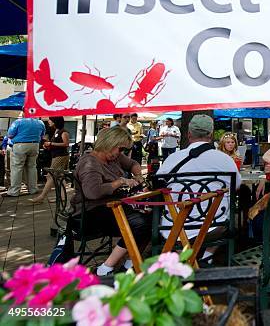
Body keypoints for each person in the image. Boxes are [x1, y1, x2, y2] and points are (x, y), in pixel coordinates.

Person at [71, 127, 148, 276]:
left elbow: (133, 164)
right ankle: (105, 269)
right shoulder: (90, 163)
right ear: (110, 144)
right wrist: (120, 182)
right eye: (120, 149)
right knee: (141, 223)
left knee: (151, 217)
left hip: (112, 206)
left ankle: (130, 264)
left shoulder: (114, 156)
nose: (121, 153)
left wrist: (138, 176)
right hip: (91, 212)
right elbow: (93, 192)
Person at [156, 115, 240, 251]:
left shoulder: (172, 159)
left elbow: (159, 186)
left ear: (189, 134)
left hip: (174, 226)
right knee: (224, 211)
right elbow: (235, 185)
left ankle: (183, 259)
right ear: (211, 134)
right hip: (214, 225)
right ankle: (206, 258)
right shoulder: (224, 159)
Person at [31, 117, 70, 204]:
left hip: (61, 156)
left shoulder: (63, 132)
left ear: (56, 121)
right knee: (60, 176)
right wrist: (48, 146)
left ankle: (42, 196)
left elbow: (66, 144)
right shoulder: (56, 131)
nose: (48, 121)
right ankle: (62, 197)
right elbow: (56, 144)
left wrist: (51, 143)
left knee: (50, 175)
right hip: (56, 156)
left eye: (50, 120)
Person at [5, 117, 46, 197]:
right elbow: (42, 135)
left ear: (24, 112)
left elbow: (10, 135)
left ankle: (14, 191)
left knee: (17, 168)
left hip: (20, 145)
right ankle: (33, 189)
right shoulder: (40, 123)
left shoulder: (18, 122)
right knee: (32, 167)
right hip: (35, 145)